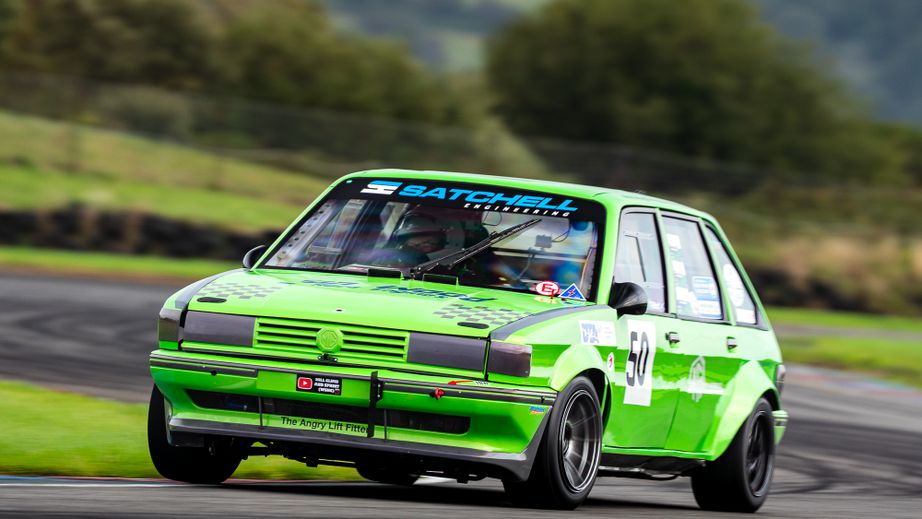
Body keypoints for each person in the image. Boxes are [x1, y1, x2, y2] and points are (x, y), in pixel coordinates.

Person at [367, 212, 447, 268]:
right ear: (403, 243)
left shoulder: (444, 263)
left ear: (438, 245)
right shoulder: (384, 256)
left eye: (426, 244)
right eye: (412, 245)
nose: (418, 249)